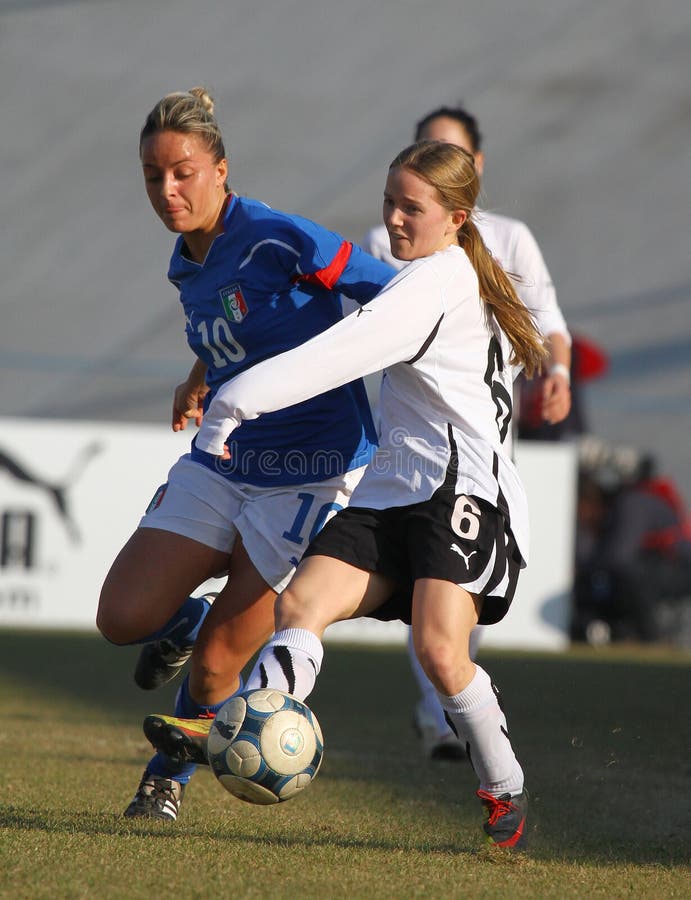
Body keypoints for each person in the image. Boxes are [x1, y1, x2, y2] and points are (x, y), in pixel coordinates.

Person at [155, 139, 548, 848]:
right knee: (302, 603)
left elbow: (341, 352)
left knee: (439, 651)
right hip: (393, 487)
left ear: (455, 217)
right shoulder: (441, 273)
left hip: (460, 491)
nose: (395, 220)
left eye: (413, 208)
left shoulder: (438, 281)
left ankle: (503, 787)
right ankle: (239, 714)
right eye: (390, 203)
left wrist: (236, 400)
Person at [96, 87, 396, 821]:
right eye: (152, 177)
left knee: (221, 665)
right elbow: (235, 330)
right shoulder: (185, 262)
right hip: (226, 458)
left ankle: (165, 781)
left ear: (220, 170)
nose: (167, 191)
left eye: (183, 172)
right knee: (121, 617)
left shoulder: (276, 237)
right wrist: (200, 376)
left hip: (310, 474)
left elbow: (390, 296)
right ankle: (186, 620)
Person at [363, 104, 572, 758]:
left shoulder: (508, 239)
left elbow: (545, 322)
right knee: (424, 597)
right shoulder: (384, 237)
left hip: (478, 455)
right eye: (423, 147)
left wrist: (558, 371)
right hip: (402, 448)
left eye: (447, 150)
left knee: (450, 609)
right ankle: (441, 722)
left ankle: (463, 731)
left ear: (473, 169)